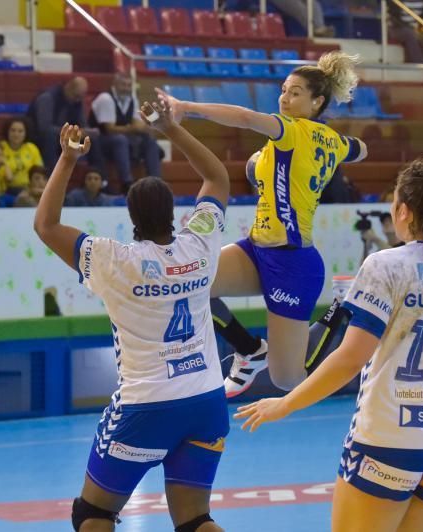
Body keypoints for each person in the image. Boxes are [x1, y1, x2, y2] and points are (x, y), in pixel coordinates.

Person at [235, 158, 423, 532]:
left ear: (402, 210)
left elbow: (350, 358)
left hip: (385, 442)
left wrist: (285, 404)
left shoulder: (386, 265)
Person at [34, 98, 230, 532]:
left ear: (130, 217)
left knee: (93, 514)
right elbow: (216, 177)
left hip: (147, 405)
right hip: (206, 400)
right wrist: (169, 128)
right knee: (195, 519)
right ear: (177, 214)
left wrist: (67, 159)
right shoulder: (199, 245)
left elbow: (46, 225)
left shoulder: (114, 260)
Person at [157, 51, 368, 397]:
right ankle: (250, 349)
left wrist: (185, 107)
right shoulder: (333, 141)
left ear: (316, 102)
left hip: (293, 264)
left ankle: (339, 310)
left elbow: (243, 117)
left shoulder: (290, 130)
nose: (285, 97)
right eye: (284, 90)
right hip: (256, 250)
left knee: (289, 379)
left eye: (295, 92)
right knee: (188, 283)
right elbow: (360, 149)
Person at [89, 72, 162, 191]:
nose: (126, 88)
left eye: (129, 85)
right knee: (120, 140)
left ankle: (156, 182)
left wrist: (142, 127)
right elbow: (110, 129)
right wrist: (133, 127)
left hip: (124, 139)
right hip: (100, 141)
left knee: (150, 141)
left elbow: (137, 124)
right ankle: (127, 183)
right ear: (115, 84)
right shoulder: (105, 98)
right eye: (123, 85)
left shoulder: (131, 99)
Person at [27, 77, 104, 172]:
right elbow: (44, 128)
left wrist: (88, 131)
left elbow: (82, 124)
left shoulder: (77, 100)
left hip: (64, 137)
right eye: (76, 96)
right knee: (50, 136)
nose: (78, 100)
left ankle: (99, 177)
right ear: (68, 88)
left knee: (91, 139)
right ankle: (51, 176)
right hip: (41, 139)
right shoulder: (47, 98)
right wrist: (73, 132)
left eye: (81, 97)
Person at [1, 116, 44, 197]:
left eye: (20, 131)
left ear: (26, 133)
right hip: (6, 189)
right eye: (13, 130)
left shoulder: (32, 148)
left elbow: (39, 173)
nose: (16, 134)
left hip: (29, 188)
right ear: (7, 132)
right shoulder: (0, 148)